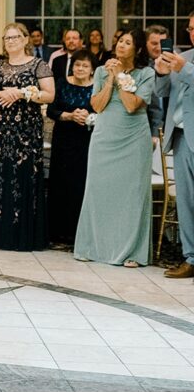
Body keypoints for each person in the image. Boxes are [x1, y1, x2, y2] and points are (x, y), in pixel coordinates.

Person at [73, 29, 155, 266]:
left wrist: (120, 76)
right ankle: (93, 246)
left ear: (138, 49)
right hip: (105, 137)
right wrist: (110, 78)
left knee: (131, 195)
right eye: (120, 41)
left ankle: (132, 252)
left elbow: (131, 106)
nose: (121, 45)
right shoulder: (100, 70)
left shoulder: (146, 74)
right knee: (98, 191)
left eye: (128, 43)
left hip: (132, 138)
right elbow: (97, 106)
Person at [0, 23, 55, 251]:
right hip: (1, 132)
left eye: (15, 37)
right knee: (2, 177)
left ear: (25, 40)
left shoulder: (38, 65)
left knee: (25, 178)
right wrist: (2, 93)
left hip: (26, 132)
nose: (10, 41)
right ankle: (0, 235)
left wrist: (22, 93)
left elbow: (50, 96)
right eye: (7, 38)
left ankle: (25, 236)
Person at [155, 12, 194, 278]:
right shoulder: (185, 57)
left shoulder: (185, 63)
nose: (192, 32)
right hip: (181, 135)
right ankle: (190, 258)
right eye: (190, 28)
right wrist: (161, 74)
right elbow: (162, 93)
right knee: (186, 200)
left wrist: (184, 69)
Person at [46, 50, 96, 244]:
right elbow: (52, 110)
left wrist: (89, 117)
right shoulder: (62, 82)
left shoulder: (97, 87)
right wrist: (70, 115)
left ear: (92, 69)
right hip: (63, 138)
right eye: (77, 65)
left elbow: (102, 109)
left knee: (81, 183)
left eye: (85, 65)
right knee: (60, 182)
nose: (80, 68)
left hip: (86, 140)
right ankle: (56, 231)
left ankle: (78, 232)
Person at [145, 24, 170, 138]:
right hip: (145, 128)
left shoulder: (174, 65)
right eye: (154, 43)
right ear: (145, 43)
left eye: (162, 43)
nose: (159, 47)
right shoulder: (139, 66)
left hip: (170, 128)